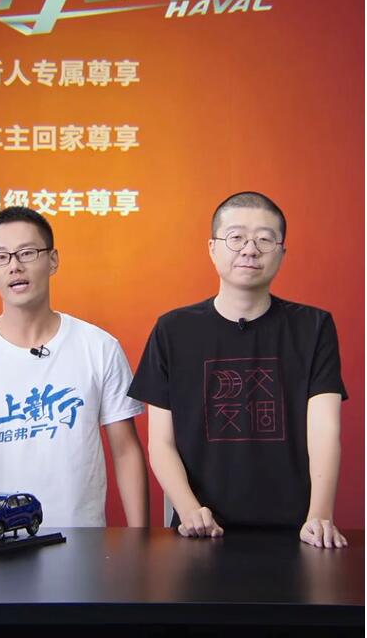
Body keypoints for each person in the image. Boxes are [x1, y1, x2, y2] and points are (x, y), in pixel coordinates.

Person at [129, 191, 348, 548]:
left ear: (282, 252)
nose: (250, 250)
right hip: (200, 531)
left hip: (296, 531)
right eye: (236, 238)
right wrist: (189, 510)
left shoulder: (313, 327)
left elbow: (324, 429)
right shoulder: (173, 330)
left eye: (264, 239)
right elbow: (161, 442)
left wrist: (319, 515)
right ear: (212, 248)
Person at [0, 206, 149, 528]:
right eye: (1, 257)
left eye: (27, 253)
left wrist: (139, 539)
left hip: (82, 543)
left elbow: (126, 452)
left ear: (53, 260)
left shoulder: (100, 348)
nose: (14, 266)